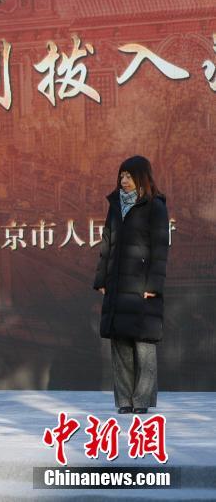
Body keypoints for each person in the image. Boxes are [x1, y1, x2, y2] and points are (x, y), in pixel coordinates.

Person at [93, 156, 169, 414]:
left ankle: (142, 400)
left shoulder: (155, 206)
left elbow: (161, 250)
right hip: (116, 284)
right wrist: (102, 278)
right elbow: (107, 244)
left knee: (143, 344)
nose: (123, 181)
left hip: (142, 286)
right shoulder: (115, 205)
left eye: (128, 176)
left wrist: (154, 285)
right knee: (121, 343)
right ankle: (124, 400)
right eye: (121, 176)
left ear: (142, 177)